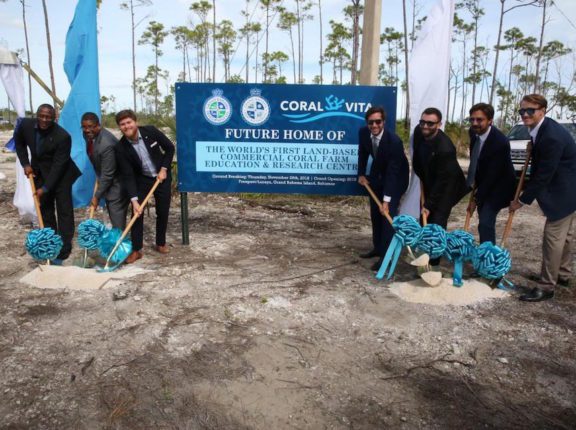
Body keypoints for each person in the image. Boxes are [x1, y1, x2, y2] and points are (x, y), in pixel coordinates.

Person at [510, 94, 576, 302]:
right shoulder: (540, 130)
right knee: (564, 237)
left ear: (542, 111)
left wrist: (521, 200)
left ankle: (547, 286)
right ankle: (562, 275)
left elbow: (544, 175)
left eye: (530, 110)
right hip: (568, 187)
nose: (525, 114)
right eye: (522, 111)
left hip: (565, 191)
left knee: (553, 238)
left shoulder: (551, 136)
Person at [14, 104, 81, 262]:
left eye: (48, 117)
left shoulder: (62, 136)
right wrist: (25, 164)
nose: (45, 120)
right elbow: (19, 143)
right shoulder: (25, 125)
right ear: (37, 115)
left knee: (64, 210)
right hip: (39, 172)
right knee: (45, 208)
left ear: (54, 118)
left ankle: (64, 247)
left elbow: (59, 166)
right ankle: (51, 243)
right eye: (42, 116)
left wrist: (45, 188)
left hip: (62, 175)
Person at [114, 109, 175, 264]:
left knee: (162, 211)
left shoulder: (151, 131)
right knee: (137, 213)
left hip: (162, 177)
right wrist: (134, 200)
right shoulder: (121, 148)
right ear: (119, 127)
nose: (126, 126)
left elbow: (169, 148)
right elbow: (127, 175)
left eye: (129, 122)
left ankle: (160, 243)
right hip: (142, 179)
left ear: (136, 122)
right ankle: (136, 249)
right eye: (122, 124)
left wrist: (163, 169)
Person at [412, 107, 468, 264]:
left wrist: (429, 204)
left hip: (448, 186)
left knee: (436, 222)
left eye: (430, 123)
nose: (425, 126)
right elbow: (417, 154)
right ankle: (424, 254)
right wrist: (421, 176)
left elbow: (443, 180)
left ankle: (434, 263)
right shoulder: (419, 131)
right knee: (424, 220)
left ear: (439, 124)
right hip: (430, 179)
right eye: (422, 122)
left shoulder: (446, 149)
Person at [357, 106, 409, 271]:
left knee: (387, 216)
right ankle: (378, 248)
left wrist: (387, 200)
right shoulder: (364, 133)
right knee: (375, 213)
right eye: (371, 122)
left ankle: (386, 257)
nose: (374, 125)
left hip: (396, 178)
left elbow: (393, 173)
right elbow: (363, 154)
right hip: (377, 174)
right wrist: (361, 173)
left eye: (377, 121)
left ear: (383, 122)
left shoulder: (394, 142)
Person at [465, 103, 516, 244]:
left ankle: (489, 257)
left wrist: (476, 199)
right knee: (483, 218)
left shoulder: (500, 142)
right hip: (485, 182)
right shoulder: (474, 133)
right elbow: (478, 162)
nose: (475, 123)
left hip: (501, 187)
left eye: (479, 120)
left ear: (490, 121)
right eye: (472, 119)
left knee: (485, 221)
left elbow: (492, 176)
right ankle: (485, 249)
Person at [81, 112, 128, 230]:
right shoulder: (88, 135)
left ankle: (120, 245)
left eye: (90, 127)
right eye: (84, 127)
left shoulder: (106, 144)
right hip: (106, 179)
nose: (87, 130)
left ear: (98, 126)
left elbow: (108, 175)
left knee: (117, 224)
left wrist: (96, 197)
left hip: (117, 185)